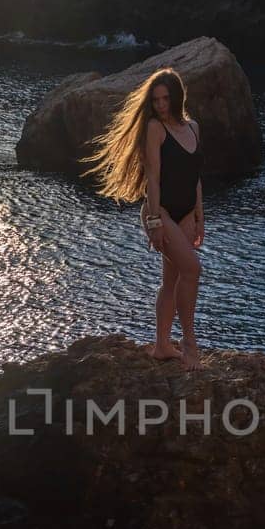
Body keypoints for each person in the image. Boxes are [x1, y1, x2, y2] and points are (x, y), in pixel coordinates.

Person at [81, 66, 205, 370]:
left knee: (172, 279)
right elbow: (152, 176)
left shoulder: (193, 128)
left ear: (177, 97)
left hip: (188, 212)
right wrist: (153, 222)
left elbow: (195, 177)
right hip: (161, 212)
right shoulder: (155, 128)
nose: (160, 105)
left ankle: (162, 345)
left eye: (165, 99)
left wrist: (200, 216)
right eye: (156, 100)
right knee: (192, 270)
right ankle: (189, 344)